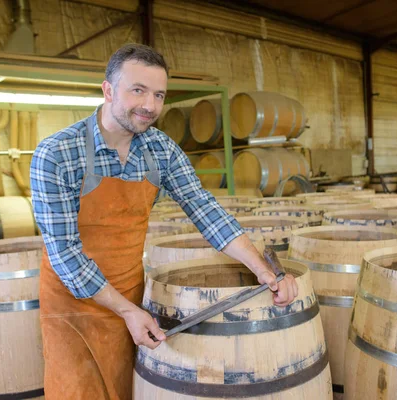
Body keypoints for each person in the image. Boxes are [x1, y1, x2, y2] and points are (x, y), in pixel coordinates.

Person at [30, 43, 299, 400]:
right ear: (108, 90)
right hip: (72, 307)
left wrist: (261, 267)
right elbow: (64, 253)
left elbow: (205, 210)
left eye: (159, 95)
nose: (150, 106)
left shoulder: (161, 149)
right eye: (138, 90)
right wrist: (126, 311)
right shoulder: (57, 154)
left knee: (132, 390)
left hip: (131, 295)